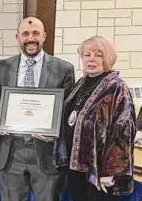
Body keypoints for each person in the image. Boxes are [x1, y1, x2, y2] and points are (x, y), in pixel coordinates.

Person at [0, 16, 75, 201]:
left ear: (44, 36)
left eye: (36, 33)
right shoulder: (1, 68)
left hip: (46, 152)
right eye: (26, 34)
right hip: (11, 151)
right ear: (17, 38)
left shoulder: (64, 69)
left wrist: (54, 132)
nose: (31, 38)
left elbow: (69, 112)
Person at [56, 35, 136, 201]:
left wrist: (110, 171)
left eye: (98, 55)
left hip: (100, 172)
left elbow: (124, 133)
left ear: (108, 58)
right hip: (77, 167)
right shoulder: (81, 82)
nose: (91, 59)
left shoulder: (117, 88)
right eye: (87, 54)